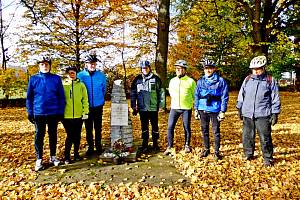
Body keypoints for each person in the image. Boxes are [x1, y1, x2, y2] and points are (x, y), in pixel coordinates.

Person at [237, 55, 281, 167]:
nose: (256, 71)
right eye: (254, 69)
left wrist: (275, 113)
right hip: (247, 113)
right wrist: (239, 108)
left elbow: (275, 97)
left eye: (258, 69)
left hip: (263, 114)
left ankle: (268, 158)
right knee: (247, 136)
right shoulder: (247, 79)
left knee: (265, 137)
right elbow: (241, 95)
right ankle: (248, 154)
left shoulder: (270, 80)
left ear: (263, 68)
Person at [26, 55, 66, 171]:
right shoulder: (33, 79)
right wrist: (30, 112)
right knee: (39, 136)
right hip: (39, 112)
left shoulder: (56, 79)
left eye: (46, 64)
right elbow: (29, 97)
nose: (44, 66)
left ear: (50, 66)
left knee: (53, 135)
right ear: (39, 66)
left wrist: (60, 111)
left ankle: (53, 157)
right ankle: (39, 159)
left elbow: (61, 97)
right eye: (42, 64)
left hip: (53, 112)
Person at [194, 59, 229, 160]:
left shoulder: (221, 81)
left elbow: (224, 96)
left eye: (210, 68)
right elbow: (196, 95)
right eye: (206, 68)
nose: (208, 70)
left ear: (214, 69)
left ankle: (217, 152)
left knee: (215, 131)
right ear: (204, 69)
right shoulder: (200, 81)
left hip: (215, 109)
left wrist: (222, 111)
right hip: (202, 108)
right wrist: (196, 109)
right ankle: (206, 149)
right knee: (204, 130)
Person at [130, 60, 165, 153]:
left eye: (146, 68)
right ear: (141, 69)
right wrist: (133, 105)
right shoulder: (137, 79)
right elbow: (133, 94)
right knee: (144, 127)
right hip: (142, 108)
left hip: (153, 108)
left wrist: (161, 105)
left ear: (149, 68)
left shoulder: (156, 79)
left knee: (155, 127)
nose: (144, 70)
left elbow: (161, 93)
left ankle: (155, 144)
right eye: (143, 68)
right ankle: (145, 144)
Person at [164, 60, 196, 155]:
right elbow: (171, 93)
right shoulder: (172, 81)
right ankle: (170, 147)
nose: (178, 70)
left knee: (186, 127)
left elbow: (195, 95)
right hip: (174, 107)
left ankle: (187, 145)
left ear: (185, 70)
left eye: (180, 69)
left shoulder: (191, 81)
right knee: (170, 127)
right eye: (177, 69)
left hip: (186, 108)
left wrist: (195, 107)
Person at [77, 54, 107, 156]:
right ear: (86, 64)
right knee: (88, 128)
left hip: (98, 105)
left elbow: (104, 89)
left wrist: (100, 99)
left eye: (94, 63)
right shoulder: (80, 75)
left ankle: (98, 146)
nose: (92, 65)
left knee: (98, 127)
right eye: (90, 63)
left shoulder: (101, 75)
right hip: (86, 106)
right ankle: (90, 147)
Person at [62, 66, 89, 164]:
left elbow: (85, 99)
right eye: (69, 73)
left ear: (76, 74)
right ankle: (67, 156)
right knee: (70, 136)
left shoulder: (81, 85)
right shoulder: (63, 85)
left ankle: (76, 154)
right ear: (67, 74)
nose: (71, 75)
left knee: (77, 136)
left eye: (73, 73)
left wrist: (85, 112)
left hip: (78, 115)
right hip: (66, 116)